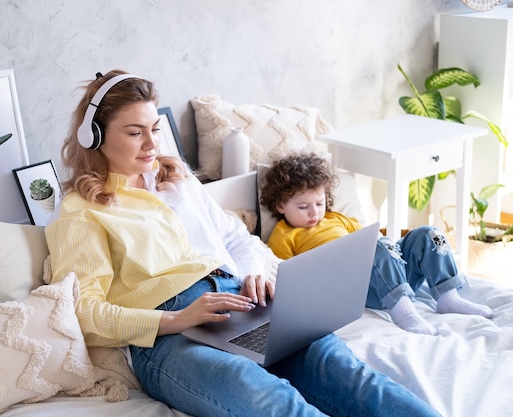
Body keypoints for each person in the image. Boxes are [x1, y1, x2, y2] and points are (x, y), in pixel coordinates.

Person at [45, 69, 442, 417]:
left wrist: (253, 272)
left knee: (351, 377)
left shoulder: (178, 181)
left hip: (241, 303)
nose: (152, 144)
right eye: (135, 133)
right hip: (170, 336)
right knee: (268, 399)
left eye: (154, 129)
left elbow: (238, 238)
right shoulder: (81, 211)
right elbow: (85, 312)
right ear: (94, 137)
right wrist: (177, 319)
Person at [260, 153, 493, 336]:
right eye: (303, 207)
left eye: (320, 203)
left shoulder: (336, 218)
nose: (314, 213)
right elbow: (287, 276)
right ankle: (403, 312)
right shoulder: (285, 234)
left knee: (427, 233)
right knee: (377, 246)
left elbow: (367, 240)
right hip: (355, 289)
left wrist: (384, 245)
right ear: (281, 205)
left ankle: (447, 297)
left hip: (390, 275)